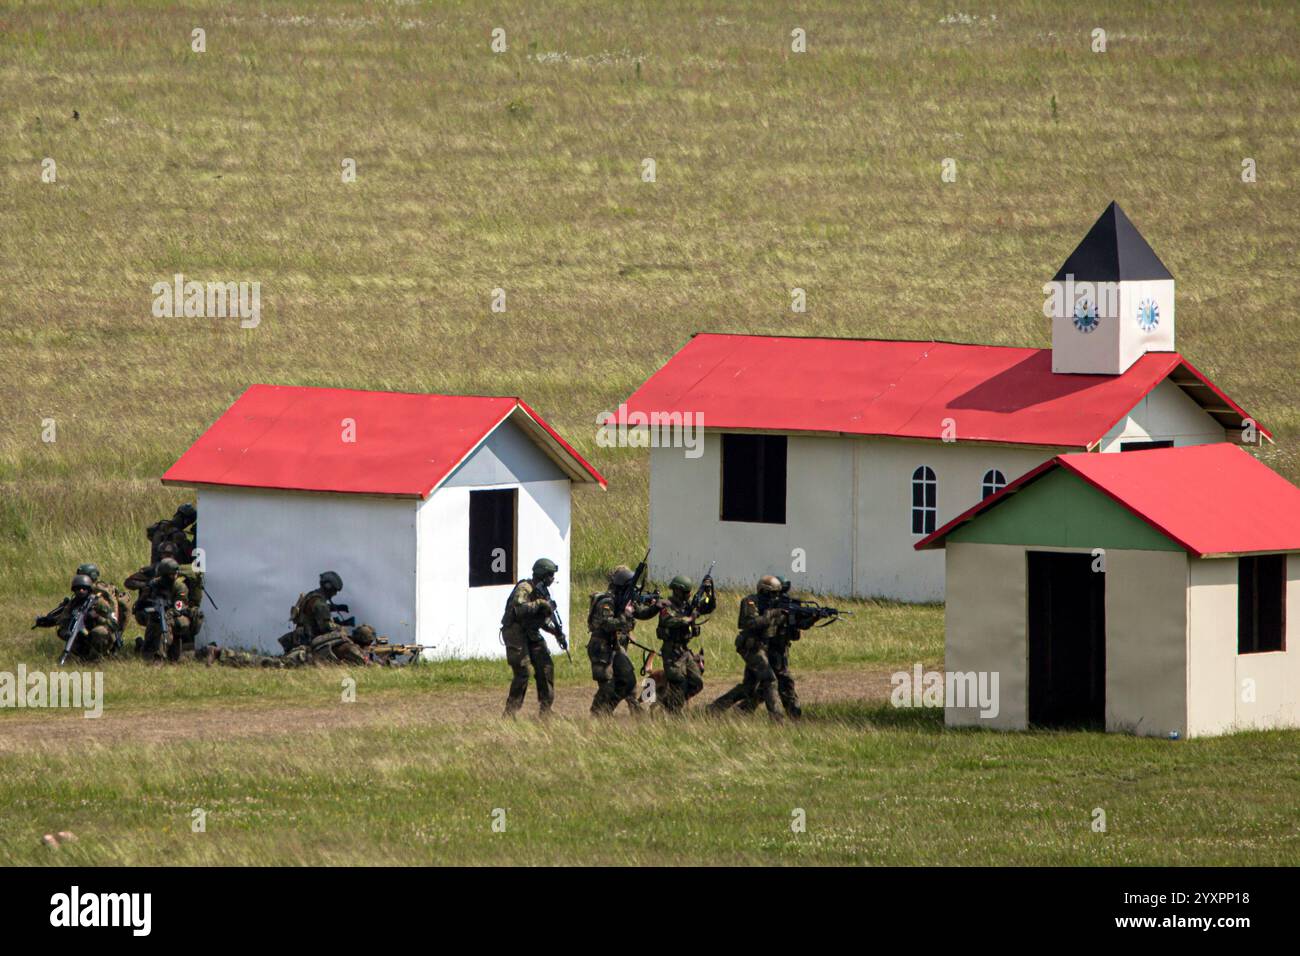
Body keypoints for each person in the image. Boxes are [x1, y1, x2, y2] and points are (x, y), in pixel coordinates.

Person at [707, 574, 785, 720]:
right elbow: (751, 623)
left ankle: (715, 708)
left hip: (763, 647)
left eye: (778, 593)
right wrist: (771, 615)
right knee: (769, 680)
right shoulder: (750, 602)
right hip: (751, 647)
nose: (776, 596)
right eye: (773, 593)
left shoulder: (776, 605)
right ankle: (777, 718)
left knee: (748, 687)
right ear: (763, 591)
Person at [587, 565, 659, 716]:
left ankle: (630, 710)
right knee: (607, 685)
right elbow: (607, 625)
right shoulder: (606, 602)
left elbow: (642, 614)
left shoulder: (624, 601)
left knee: (629, 681)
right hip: (601, 647)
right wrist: (625, 615)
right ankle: (597, 713)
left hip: (617, 647)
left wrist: (657, 607)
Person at [501, 558, 564, 717]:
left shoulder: (543, 591)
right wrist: (540, 604)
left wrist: (556, 633)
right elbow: (518, 609)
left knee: (546, 667)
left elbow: (542, 620)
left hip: (530, 631)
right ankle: (510, 713)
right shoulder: (525, 588)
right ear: (542, 574)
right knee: (523, 672)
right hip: (515, 632)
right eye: (550, 575)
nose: (552, 579)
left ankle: (546, 710)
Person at [655, 573, 714, 713]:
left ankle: (669, 704)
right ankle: (673, 710)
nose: (688, 595)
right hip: (671, 651)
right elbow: (668, 620)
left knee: (696, 682)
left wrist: (709, 591)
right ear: (677, 591)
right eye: (686, 592)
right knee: (678, 680)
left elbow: (708, 606)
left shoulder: (688, 606)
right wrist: (688, 619)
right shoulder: (667, 606)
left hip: (684, 651)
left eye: (689, 592)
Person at [33, 574, 120, 662]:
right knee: (69, 639)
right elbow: (63, 620)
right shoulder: (72, 604)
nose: (81, 591)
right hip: (83, 635)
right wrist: (65, 631)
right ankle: (82, 656)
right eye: (78, 589)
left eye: (84, 588)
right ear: (74, 590)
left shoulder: (98, 602)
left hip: (104, 637)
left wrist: (97, 617)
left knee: (99, 632)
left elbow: (114, 622)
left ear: (89, 589)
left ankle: (98, 658)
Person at [138, 558, 191, 662]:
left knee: (166, 625)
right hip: (154, 613)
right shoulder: (154, 584)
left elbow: (178, 607)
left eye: (175, 573)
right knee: (152, 624)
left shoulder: (180, 587)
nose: (175, 576)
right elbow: (144, 600)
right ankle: (146, 652)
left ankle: (160, 656)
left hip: (175, 615)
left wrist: (167, 613)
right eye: (171, 574)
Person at [279, 571, 346, 651]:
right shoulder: (320, 604)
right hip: (309, 640)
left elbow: (313, 611)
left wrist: (337, 608)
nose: (335, 594)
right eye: (334, 591)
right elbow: (325, 627)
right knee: (342, 635)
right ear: (328, 588)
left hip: (299, 636)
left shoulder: (311, 595)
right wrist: (341, 626)